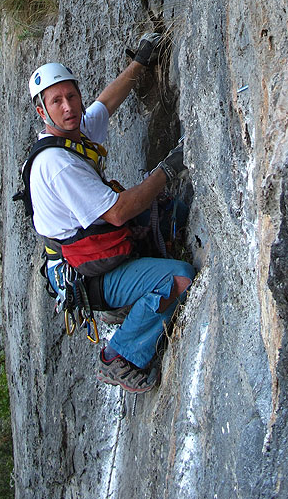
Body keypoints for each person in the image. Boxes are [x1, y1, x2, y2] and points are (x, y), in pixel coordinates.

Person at [26, 33, 195, 393]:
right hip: (85, 276)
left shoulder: (72, 133)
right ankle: (119, 357)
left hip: (91, 252)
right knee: (179, 276)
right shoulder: (56, 164)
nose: (68, 106)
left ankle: (142, 278)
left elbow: (106, 101)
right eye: (57, 101)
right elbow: (118, 213)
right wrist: (168, 169)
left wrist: (140, 64)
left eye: (71, 96)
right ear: (43, 112)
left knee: (172, 212)